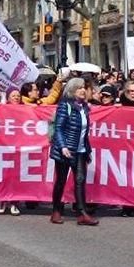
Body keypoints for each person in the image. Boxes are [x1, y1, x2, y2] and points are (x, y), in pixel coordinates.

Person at [48, 78, 98, 226]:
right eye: (79, 88)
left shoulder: (84, 107)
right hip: (66, 151)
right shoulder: (65, 106)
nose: (83, 90)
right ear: (72, 90)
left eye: (84, 87)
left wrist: (87, 150)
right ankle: (56, 210)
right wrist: (63, 146)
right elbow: (59, 128)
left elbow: (84, 132)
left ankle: (82, 213)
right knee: (61, 181)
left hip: (80, 150)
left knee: (80, 180)